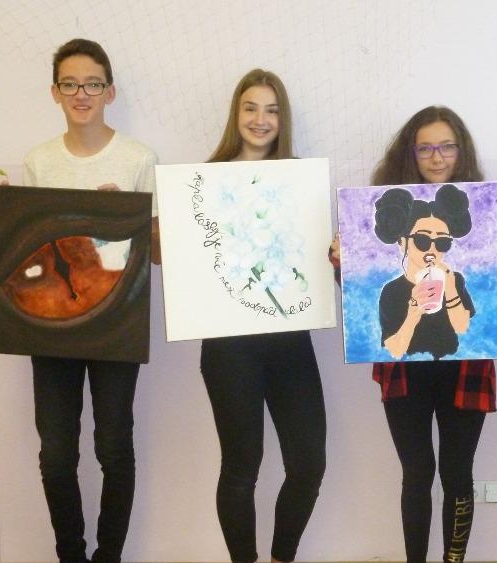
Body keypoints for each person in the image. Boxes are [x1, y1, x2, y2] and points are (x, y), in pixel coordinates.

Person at [332, 105, 497, 563]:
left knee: (458, 474)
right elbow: (366, 310)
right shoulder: (391, 287)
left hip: (467, 369)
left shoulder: (487, 220)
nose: (437, 157)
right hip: (403, 372)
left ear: (461, 151)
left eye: (447, 146)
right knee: (417, 473)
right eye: (425, 148)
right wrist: (347, 260)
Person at [21, 38, 159, 563]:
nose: (82, 94)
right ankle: (71, 555)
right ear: (54, 92)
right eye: (71, 84)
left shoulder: (139, 159)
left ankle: (109, 556)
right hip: (51, 324)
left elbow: (158, 254)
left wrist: (125, 220)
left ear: (110, 92)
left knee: (113, 447)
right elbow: (29, 254)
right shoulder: (38, 161)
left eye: (93, 84)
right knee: (57, 455)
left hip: (115, 322)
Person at [199, 68, 326, 563]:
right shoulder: (204, 179)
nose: (260, 119)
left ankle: (280, 558)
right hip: (228, 346)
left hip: (289, 340)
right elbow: (181, 259)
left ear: (283, 118)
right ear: (236, 114)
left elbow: (315, 260)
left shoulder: (302, 180)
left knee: (308, 464)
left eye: (272, 110)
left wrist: (335, 253)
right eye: (251, 107)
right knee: (241, 467)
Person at [374, 184, 474, 360]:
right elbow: (394, 350)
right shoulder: (392, 292)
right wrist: (413, 314)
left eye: (442, 242)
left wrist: (451, 290)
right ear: (402, 242)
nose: (432, 250)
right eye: (422, 240)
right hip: (407, 370)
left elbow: (462, 327)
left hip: (456, 367)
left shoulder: (455, 280)